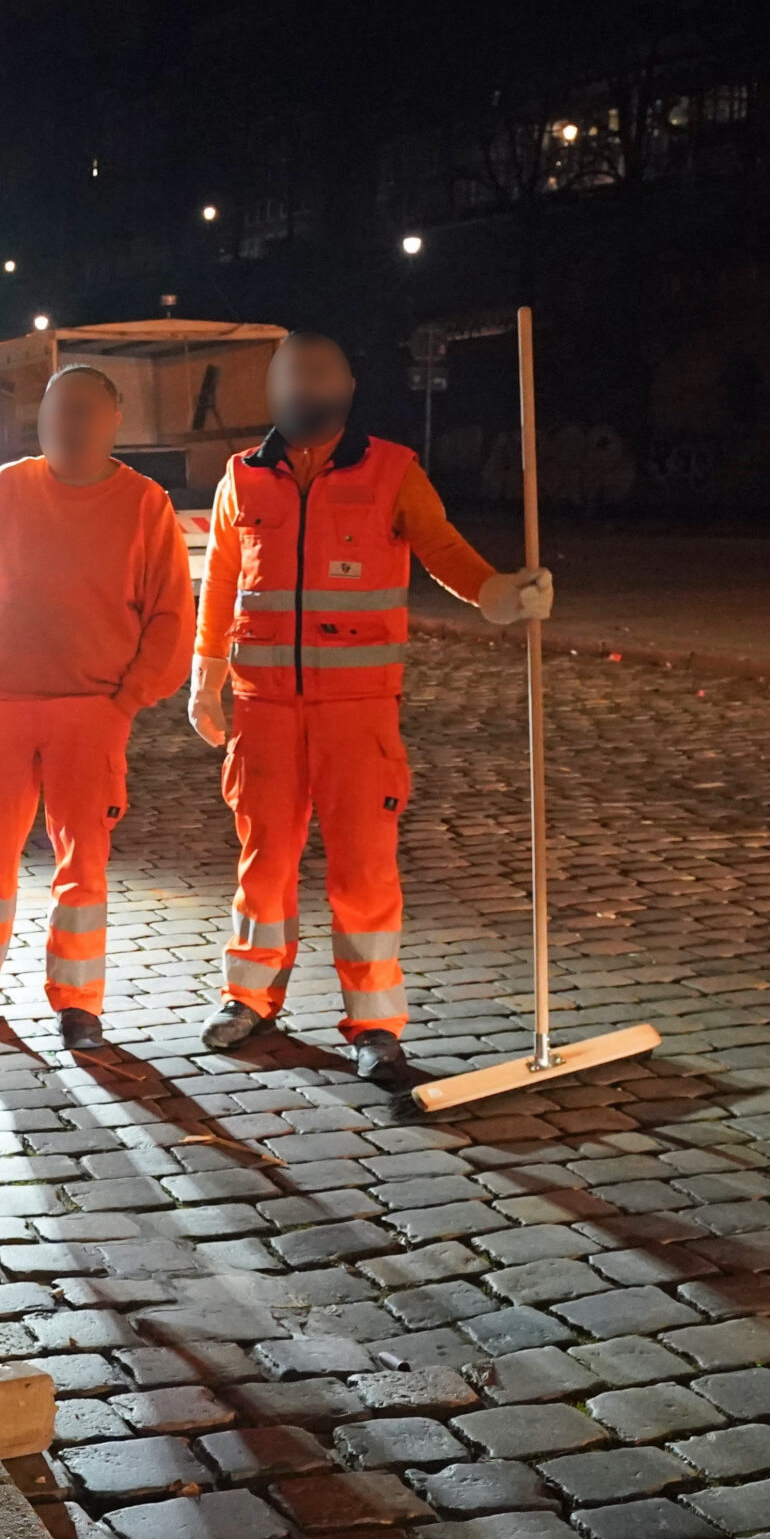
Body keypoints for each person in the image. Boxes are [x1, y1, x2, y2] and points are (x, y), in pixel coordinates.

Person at [187, 332, 553, 1085]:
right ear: (271, 388)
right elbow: (221, 577)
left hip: (358, 716)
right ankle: (249, 997)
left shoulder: (393, 471)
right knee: (264, 867)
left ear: (348, 384)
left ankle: (376, 1026)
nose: (300, 388)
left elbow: (443, 548)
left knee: (363, 874)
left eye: (317, 373)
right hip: (264, 713)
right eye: (288, 375)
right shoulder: (241, 479)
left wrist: (500, 593)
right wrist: (206, 673)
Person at [0, 365, 193, 1052]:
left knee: (83, 860)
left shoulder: (143, 503)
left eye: (82, 411)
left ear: (112, 421)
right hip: (0, 708)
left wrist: (127, 699)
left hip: (90, 710)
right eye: (55, 410)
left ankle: (79, 1001)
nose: (66, 424)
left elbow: (170, 617)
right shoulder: (5, 489)